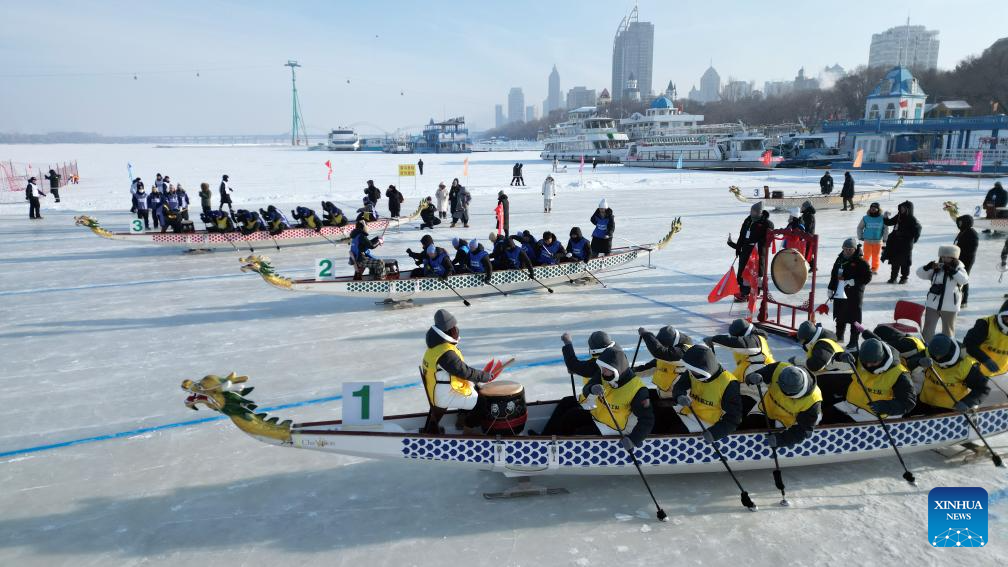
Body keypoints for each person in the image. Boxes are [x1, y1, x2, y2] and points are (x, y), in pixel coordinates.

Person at [555, 346, 654, 449]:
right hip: (599, 418)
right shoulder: (604, 375)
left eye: (606, 369)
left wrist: (633, 440)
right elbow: (586, 389)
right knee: (570, 417)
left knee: (581, 433)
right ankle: (553, 442)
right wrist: (591, 388)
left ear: (617, 369)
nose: (603, 372)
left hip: (616, 429)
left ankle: (564, 451)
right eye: (602, 368)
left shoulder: (638, 390)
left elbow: (647, 420)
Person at [420, 309, 496, 434]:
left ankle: (461, 419)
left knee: (475, 387)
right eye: (454, 327)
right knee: (483, 403)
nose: (457, 330)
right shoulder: (446, 353)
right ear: (450, 331)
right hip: (444, 394)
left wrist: (476, 379)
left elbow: (460, 370)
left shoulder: (435, 347)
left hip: (438, 390)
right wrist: (484, 376)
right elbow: (464, 371)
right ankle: (468, 429)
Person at [538, 331, 616, 435]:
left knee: (571, 416)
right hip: (591, 399)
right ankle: (546, 436)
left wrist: (568, 343)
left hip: (600, 406)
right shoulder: (609, 356)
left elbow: (574, 365)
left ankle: (557, 442)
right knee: (566, 402)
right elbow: (582, 367)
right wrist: (577, 368)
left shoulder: (600, 364)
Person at [740, 363, 823, 448]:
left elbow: (804, 431)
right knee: (746, 425)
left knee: (756, 433)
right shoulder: (779, 368)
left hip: (782, 424)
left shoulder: (813, 401)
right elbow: (759, 374)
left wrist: (781, 440)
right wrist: (752, 377)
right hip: (764, 409)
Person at [670, 345, 744, 439]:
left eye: (694, 370)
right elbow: (679, 386)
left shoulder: (728, 383)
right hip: (689, 413)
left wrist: (715, 433)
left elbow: (734, 417)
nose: (690, 371)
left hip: (708, 424)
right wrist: (679, 395)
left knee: (670, 430)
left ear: (704, 369)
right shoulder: (693, 372)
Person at [910, 334, 990, 416]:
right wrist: (918, 361)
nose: (936, 358)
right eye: (934, 355)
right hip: (925, 401)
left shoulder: (967, 366)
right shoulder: (929, 352)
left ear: (950, 352)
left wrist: (967, 403)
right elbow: (907, 365)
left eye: (939, 356)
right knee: (907, 417)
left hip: (952, 408)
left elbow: (982, 389)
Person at [634, 325, 694, 433]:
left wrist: (646, 335)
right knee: (639, 396)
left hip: (678, 404)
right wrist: (625, 372)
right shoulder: (665, 356)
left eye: (665, 346)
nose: (664, 348)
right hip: (662, 397)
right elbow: (647, 368)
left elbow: (661, 352)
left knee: (661, 426)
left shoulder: (686, 352)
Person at [916, 245, 969, 341]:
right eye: (942, 256)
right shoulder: (937, 268)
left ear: (954, 257)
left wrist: (952, 271)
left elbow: (964, 280)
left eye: (947, 257)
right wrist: (927, 267)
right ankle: (926, 348)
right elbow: (919, 274)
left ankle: (947, 350)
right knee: (928, 329)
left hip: (950, 306)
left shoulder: (959, 268)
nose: (944, 259)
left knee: (948, 331)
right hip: (932, 304)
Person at [827, 237, 872, 348]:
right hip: (840, 292)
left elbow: (868, 277)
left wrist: (854, 281)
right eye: (845, 249)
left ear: (854, 249)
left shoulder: (861, 262)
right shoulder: (839, 259)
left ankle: (853, 341)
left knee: (854, 318)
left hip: (854, 294)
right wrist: (830, 288)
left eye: (850, 249)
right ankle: (839, 337)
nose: (847, 251)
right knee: (840, 314)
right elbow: (834, 275)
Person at [795, 321, 852, 405]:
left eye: (803, 340)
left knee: (814, 385)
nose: (802, 342)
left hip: (841, 377)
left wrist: (798, 361)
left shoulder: (824, 344)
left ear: (809, 338)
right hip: (835, 372)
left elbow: (816, 365)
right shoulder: (820, 341)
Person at [727, 202, 773, 300]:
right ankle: (744, 292)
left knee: (755, 273)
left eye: (754, 211)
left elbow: (768, 239)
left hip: (757, 253)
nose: (751, 213)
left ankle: (755, 292)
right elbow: (742, 235)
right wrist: (738, 247)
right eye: (751, 211)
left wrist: (756, 245)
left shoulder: (767, 223)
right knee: (744, 271)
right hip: (746, 251)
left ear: (759, 212)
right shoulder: (748, 220)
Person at [707, 318, 776, 383]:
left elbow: (739, 343)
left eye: (736, 337)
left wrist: (714, 339)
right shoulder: (748, 342)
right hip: (747, 377)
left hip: (763, 378)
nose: (734, 338)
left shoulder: (755, 340)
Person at [964, 299, 1008, 378]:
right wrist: (985, 360)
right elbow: (969, 344)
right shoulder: (985, 324)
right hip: (977, 373)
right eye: (1006, 317)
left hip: (1002, 374)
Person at [882, 200, 921, 284]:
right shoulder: (899, 216)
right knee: (895, 261)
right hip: (896, 243)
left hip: (906, 245)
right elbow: (889, 222)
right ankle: (893, 278)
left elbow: (916, 232)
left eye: (903, 208)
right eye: (901, 208)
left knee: (905, 263)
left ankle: (904, 278)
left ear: (908, 209)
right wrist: (885, 217)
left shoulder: (912, 219)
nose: (901, 209)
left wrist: (905, 235)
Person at [857, 202, 888, 275]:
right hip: (867, 240)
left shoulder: (882, 218)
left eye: (875, 208)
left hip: (877, 241)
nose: (873, 209)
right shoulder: (866, 218)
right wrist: (860, 236)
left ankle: (874, 268)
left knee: (875, 256)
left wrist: (885, 239)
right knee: (866, 256)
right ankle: (864, 268)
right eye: (871, 208)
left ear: (878, 209)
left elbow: (885, 229)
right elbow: (860, 227)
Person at [954, 215, 978, 308]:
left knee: (964, 277)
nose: (959, 224)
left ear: (966, 222)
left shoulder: (972, 233)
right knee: (958, 277)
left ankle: (964, 300)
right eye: (959, 222)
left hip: (967, 260)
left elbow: (971, 249)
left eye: (961, 222)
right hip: (959, 258)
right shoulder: (963, 231)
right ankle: (958, 297)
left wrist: (959, 254)